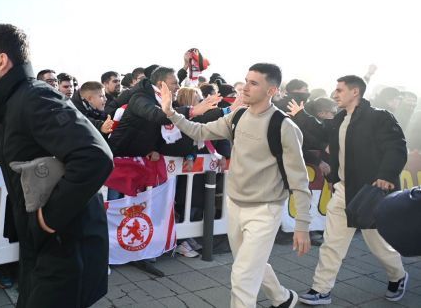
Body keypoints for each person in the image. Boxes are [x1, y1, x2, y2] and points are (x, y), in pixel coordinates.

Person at [0, 23, 113, 308]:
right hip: (41, 244)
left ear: (2, 61)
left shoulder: (35, 97)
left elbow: (94, 156)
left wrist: (48, 219)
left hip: (65, 244)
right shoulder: (10, 103)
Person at [160, 63, 311, 308]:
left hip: (265, 210)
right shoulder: (238, 115)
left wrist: (302, 225)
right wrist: (170, 113)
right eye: (246, 80)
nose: (246, 87)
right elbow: (200, 132)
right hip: (236, 205)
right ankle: (282, 298)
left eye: (254, 83)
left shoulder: (284, 127)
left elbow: (299, 179)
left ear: (271, 90)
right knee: (249, 262)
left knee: (242, 276)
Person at [287, 75, 409, 305]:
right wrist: (301, 116)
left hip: (370, 192)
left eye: (340, 90)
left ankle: (398, 276)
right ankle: (321, 290)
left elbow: (396, 146)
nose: (335, 94)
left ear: (355, 92)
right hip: (343, 190)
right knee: (332, 242)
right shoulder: (340, 118)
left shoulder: (379, 117)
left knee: (378, 244)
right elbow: (321, 131)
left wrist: (385, 175)